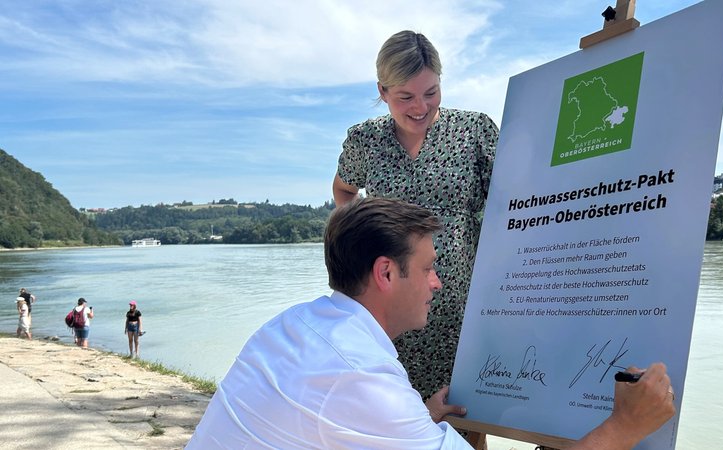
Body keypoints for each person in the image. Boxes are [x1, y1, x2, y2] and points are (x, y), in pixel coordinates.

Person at [187, 197, 675, 449]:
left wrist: (416, 421)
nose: (437, 283)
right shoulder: (360, 374)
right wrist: (625, 426)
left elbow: (327, 419)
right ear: (385, 273)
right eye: (427, 268)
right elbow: (353, 398)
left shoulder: (294, 324)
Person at [332, 30, 498, 402]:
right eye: (405, 96)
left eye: (431, 92)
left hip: (463, 305)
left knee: (464, 416)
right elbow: (344, 190)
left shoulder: (474, 132)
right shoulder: (365, 140)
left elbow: (509, 204)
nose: (421, 107)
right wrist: (363, 240)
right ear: (382, 90)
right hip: (390, 307)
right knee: (389, 413)